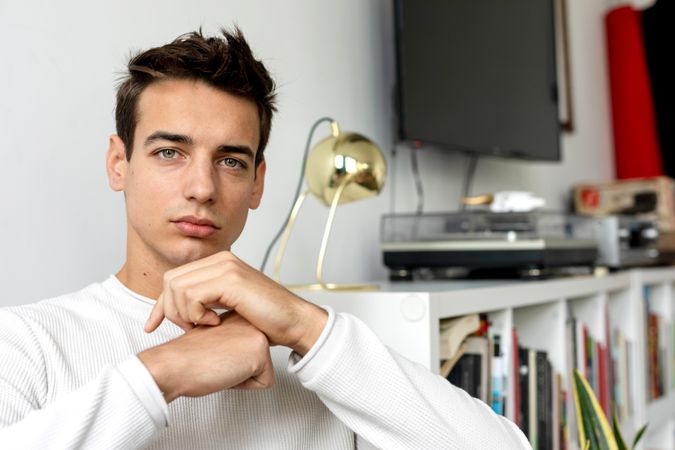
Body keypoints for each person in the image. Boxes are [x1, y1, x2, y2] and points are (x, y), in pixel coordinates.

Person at [0, 28, 530, 449]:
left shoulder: (323, 353)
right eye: (170, 152)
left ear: (257, 183)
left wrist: (303, 324)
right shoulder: (28, 341)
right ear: (119, 163)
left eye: (231, 160)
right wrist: (160, 374)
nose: (202, 188)